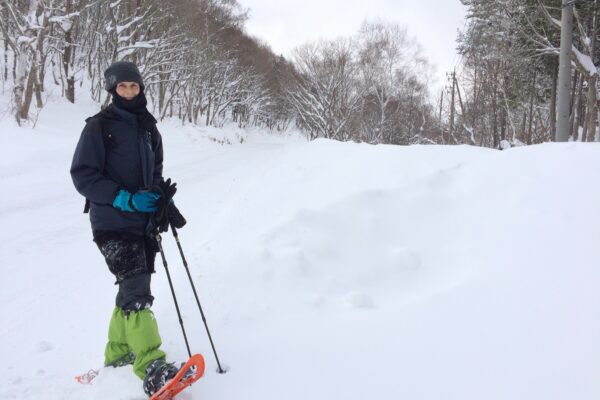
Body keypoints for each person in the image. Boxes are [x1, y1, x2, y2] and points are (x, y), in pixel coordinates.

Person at [70, 61, 184, 396]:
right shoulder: (99, 127)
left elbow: (156, 174)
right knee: (137, 292)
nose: (129, 92)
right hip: (111, 222)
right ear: (112, 89)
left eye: (134, 86)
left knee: (131, 287)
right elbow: (83, 175)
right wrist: (124, 199)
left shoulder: (149, 128)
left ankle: (118, 354)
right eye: (123, 87)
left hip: (142, 223)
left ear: (141, 89)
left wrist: (165, 201)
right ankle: (152, 367)